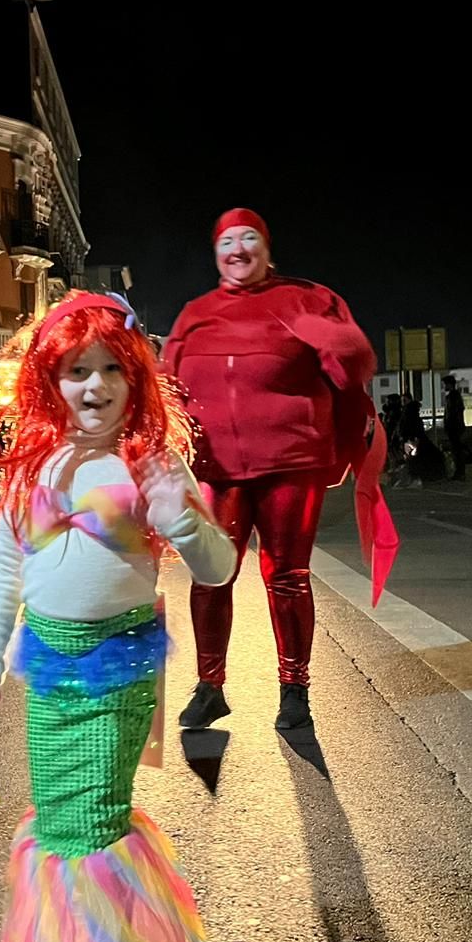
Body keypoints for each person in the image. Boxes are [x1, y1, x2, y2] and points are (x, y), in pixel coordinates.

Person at [0, 292, 232, 942]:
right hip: (49, 669)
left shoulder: (152, 460)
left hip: (118, 670)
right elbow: (8, 569)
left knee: (89, 822)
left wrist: (181, 516)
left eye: (113, 368)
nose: (96, 385)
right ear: (52, 378)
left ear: (136, 376)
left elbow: (219, 566)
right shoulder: (33, 463)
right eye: (79, 369)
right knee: (58, 822)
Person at [160, 208, 396, 732]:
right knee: (211, 573)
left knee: (287, 576)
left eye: (249, 239)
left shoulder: (308, 298)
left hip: (291, 464)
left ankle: (295, 690)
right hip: (215, 467)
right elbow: (164, 385)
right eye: (227, 241)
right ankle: (209, 686)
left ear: (267, 248)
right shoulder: (195, 313)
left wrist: (330, 337)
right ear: (215, 252)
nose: (238, 249)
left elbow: (355, 364)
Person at [442, 374, 467, 480]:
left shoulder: (453, 397)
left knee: (457, 450)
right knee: (456, 450)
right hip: (455, 427)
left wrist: (449, 425)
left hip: (454, 427)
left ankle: (460, 472)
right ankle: (459, 472)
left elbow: (453, 413)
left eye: (445, 384)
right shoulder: (454, 396)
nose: (444, 387)